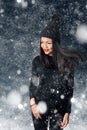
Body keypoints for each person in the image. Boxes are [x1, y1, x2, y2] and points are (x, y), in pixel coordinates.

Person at [29, 14, 85, 130]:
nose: (44, 46)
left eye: (48, 43)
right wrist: (33, 104)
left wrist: (67, 112)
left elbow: (69, 89)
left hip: (58, 109)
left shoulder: (66, 63)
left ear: (55, 43)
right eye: (42, 42)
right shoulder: (37, 61)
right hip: (39, 106)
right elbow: (33, 84)